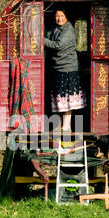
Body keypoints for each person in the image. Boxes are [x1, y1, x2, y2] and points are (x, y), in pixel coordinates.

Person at [43, 9, 84, 148]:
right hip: (57, 69)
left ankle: (66, 127)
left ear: (66, 17)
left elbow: (57, 45)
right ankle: (59, 126)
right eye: (57, 16)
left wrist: (40, 40)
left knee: (68, 100)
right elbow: (48, 36)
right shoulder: (55, 29)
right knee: (59, 100)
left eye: (61, 16)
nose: (59, 18)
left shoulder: (68, 30)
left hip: (68, 69)